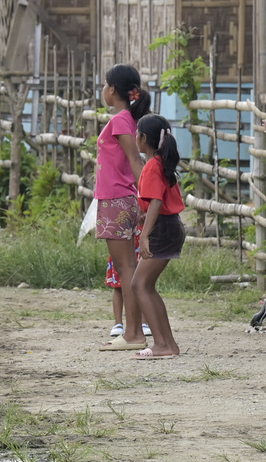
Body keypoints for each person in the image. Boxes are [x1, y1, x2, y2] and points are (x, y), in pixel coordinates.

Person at [93, 64, 149, 352]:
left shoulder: (120, 121)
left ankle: (133, 333)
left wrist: (147, 196)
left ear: (113, 90)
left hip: (116, 200)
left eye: (105, 84)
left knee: (126, 268)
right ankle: (132, 331)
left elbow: (136, 161)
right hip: (119, 198)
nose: (103, 89)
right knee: (128, 268)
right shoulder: (126, 119)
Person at [132, 114, 184, 360]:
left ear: (143, 138)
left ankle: (163, 344)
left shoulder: (153, 165)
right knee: (146, 286)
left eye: (137, 133)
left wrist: (144, 236)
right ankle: (168, 344)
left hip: (163, 229)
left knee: (138, 285)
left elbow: (156, 201)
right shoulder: (161, 162)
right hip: (169, 226)